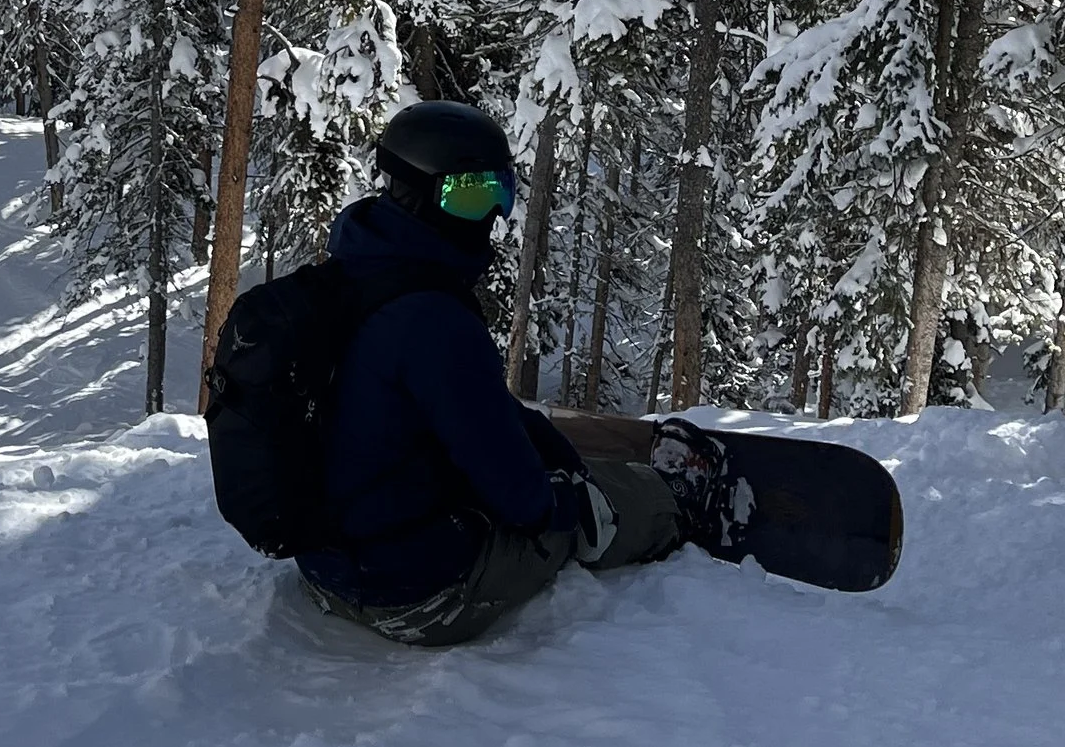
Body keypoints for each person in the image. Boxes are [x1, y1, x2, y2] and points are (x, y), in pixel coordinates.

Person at [291, 98, 741, 649]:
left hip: (325, 570)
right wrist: (569, 491)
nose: (491, 216)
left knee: (528, 458)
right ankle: (679, 504)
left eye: (497, 193)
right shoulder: (432, 317)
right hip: (418, 596)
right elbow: (523, 499)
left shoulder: (348, 278)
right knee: (587, 506)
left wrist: (549, 445)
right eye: (471, 196)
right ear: (425, 195)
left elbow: (456, 410)